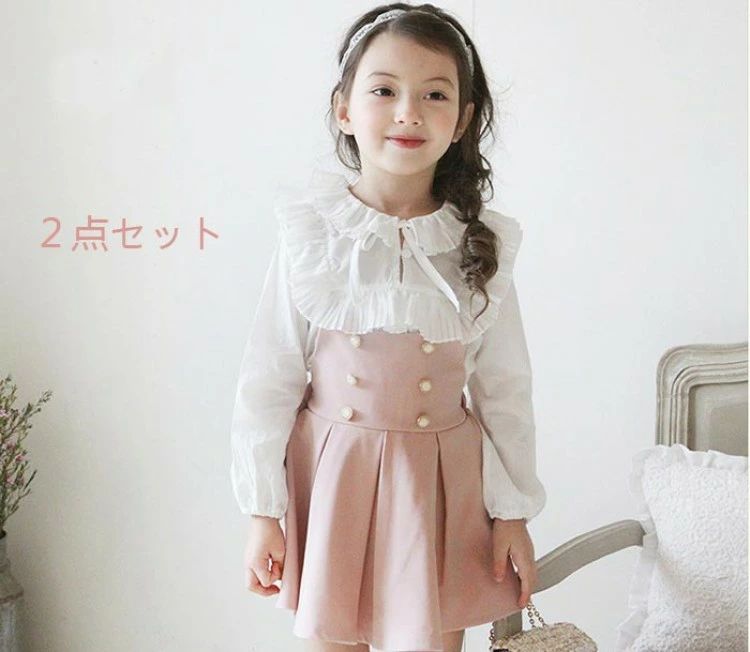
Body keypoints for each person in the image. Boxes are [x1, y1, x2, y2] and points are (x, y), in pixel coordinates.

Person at [229, 4, 547, 651]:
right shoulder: (312, 235)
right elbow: (269, 375)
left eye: (435, 95)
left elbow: (505, 390)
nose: (409, 112)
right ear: (344, 109)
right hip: (333, 478)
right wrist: (263, 511)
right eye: (384, 90)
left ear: (462, 121)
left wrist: (512, 512)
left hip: (440, 489)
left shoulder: (480, 245)